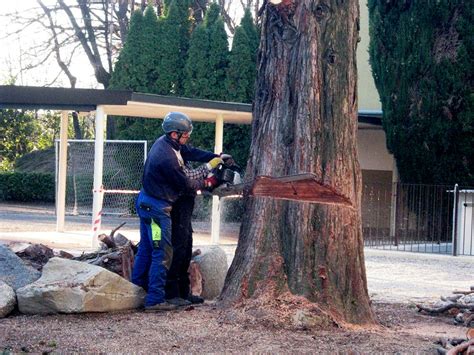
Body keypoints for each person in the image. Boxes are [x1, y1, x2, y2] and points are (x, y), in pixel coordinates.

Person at [131, 112, 222, 311]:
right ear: (174, 134)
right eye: (185, 134)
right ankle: (155, 299)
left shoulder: (166, 143)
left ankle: (134, 292)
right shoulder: (167, 158)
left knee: (146, 249)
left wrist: (215, 157)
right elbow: (187, 183)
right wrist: (209, 178)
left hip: (146, 203)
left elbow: (189, 151)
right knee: (162, 252)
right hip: (156, 210)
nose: (187, 137)